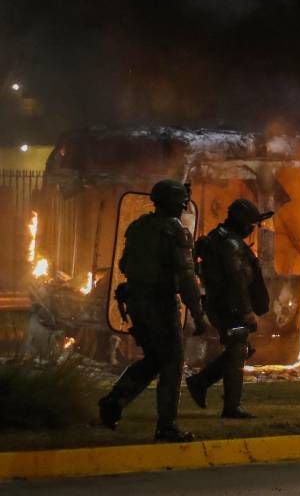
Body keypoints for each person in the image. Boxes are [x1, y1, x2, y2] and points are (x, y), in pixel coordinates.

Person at [98, 179, 207, 442]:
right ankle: (167, 426)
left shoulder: (139, 226)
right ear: (173, 202)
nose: (184, 205)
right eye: (182, 200)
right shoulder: (176, 231)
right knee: (171, 363)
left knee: (154, 359)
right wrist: (198, 314)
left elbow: (124, 264)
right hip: (160, 304)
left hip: (136, 301)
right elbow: (186, 278)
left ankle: (114, 401)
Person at [187, 199, 273, 419]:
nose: (252, 229)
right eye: (251, 224)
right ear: (242, 223)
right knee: (238, 351)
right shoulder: (231, 244)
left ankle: (201, 383)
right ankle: (229, 406)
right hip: (230, 307)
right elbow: (237, 280)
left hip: (221, 304)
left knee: (239, 349)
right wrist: (246, 311)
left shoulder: (219, 237)